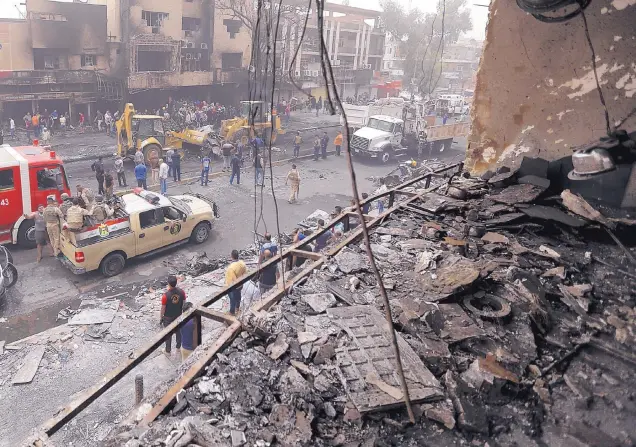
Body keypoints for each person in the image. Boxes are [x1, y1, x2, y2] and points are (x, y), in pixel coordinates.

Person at [160, 275, 187, 355]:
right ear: (176, 282)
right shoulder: (182, 292)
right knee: (179, 331)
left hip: (168, 317)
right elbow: (184, 303)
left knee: (168, 334)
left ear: (168, 284)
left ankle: (168, 351)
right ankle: (178, 347)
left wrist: (161, 317)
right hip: (178, 315)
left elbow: (163, 308)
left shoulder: (165, 296)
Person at [225, 250, 247, 316]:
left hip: (233, 286)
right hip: (240, 284)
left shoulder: (231, 268)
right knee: (238, 296)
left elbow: (232, 279)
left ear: (231, 256)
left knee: (232, 299)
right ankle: (237, 308)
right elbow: (245, 273)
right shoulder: (242, 263)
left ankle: (232, 312)